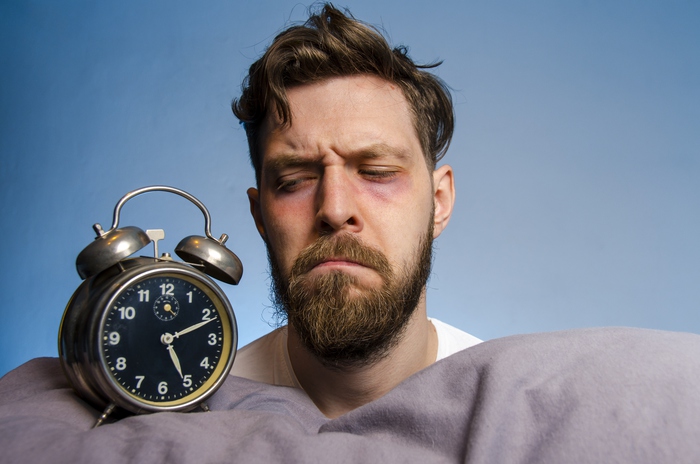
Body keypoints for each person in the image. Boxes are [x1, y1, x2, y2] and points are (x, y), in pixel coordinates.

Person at [229, 3, 481, 418]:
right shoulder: (197, 418)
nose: (334, 208)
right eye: (294, 181)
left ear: (438, 203)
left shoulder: (505, 409)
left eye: (377, 172)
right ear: (260, 217)